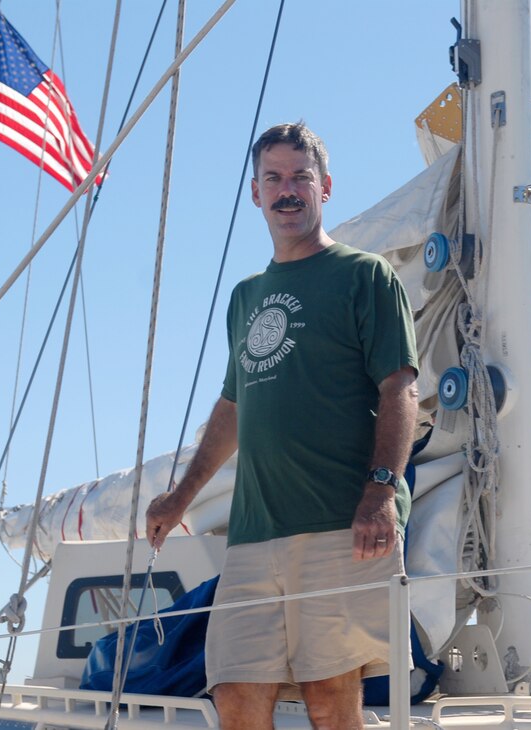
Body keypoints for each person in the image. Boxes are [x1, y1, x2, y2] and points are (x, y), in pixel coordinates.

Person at [145, 121, 419, 730]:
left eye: (300, 177)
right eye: (274, 178)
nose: (287, 190)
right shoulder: (246, 296)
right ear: (255, 193)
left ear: (325, 185)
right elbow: (233, 408)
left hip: (339, 525)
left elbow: (400, 385)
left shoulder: (364, 276)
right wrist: (181, 494)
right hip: (253, 534)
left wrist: (379, 491)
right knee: (235, 693)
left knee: (328, 695)